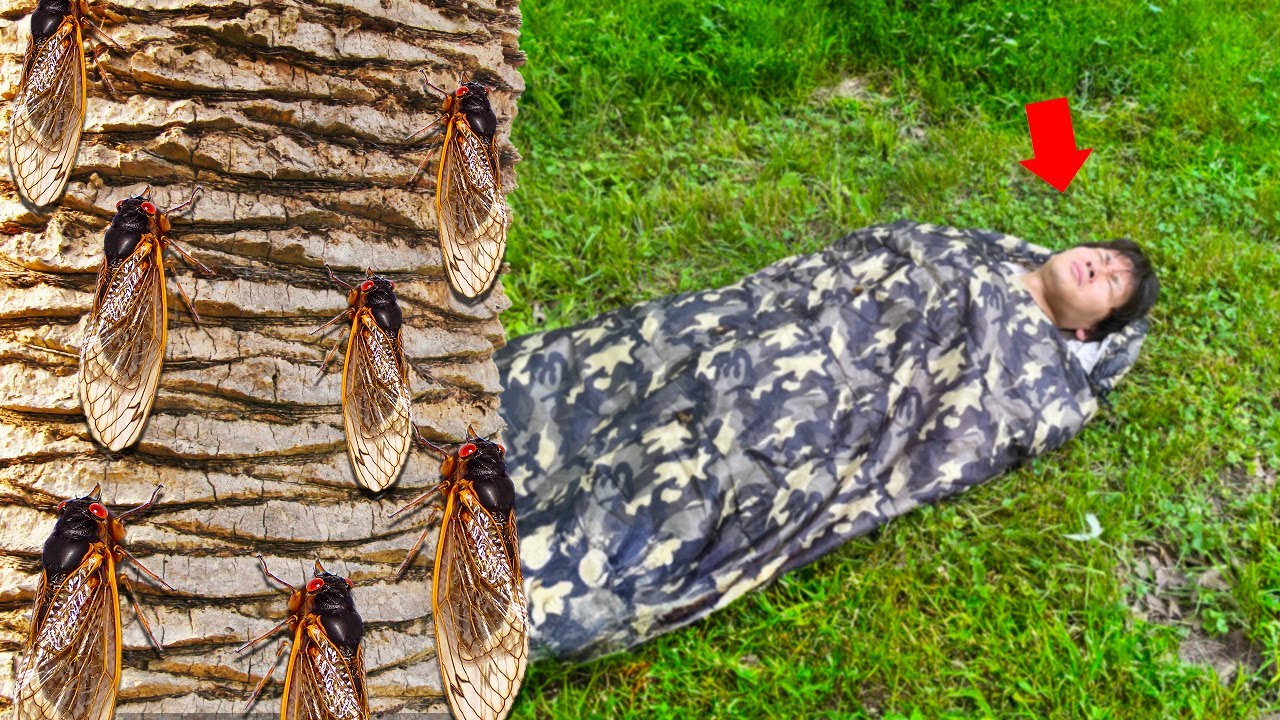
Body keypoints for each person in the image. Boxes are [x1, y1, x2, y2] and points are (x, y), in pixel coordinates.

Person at [1020, 239, 1159, 342]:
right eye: (1102, 257)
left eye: (1112, 282)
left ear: (1091, 329)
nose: (1094, 267)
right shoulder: (1000, 251)